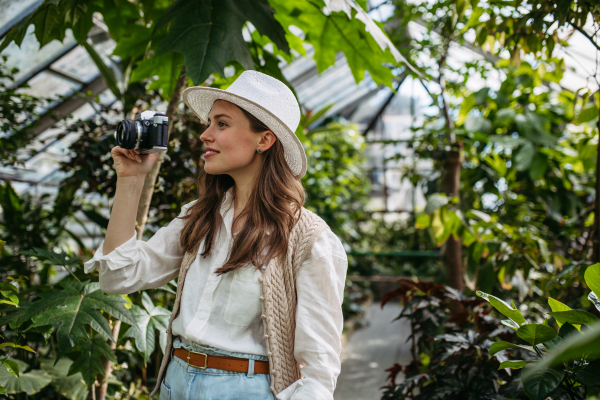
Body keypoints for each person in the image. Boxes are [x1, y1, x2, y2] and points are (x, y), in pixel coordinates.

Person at [83, 70, 348, 400]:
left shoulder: (308, 239)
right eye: (209, 122)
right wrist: (131, 181)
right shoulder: (200, 216)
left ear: (264, 140)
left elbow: (319, 370)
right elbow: (118, 278)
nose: (204, 135)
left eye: (221, 124)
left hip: (245, 390)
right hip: (174, 382)